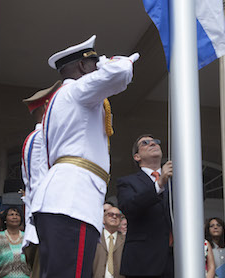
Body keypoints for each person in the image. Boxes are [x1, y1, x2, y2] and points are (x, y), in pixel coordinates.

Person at [30, 34, 138, 278]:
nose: (97, 66)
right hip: (73, 201)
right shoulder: (78, 90)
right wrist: (108, 62)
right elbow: (120, 72)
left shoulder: (61, 99)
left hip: (62, 199)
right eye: (93, 62)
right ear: (82, 66)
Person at [20, 80, 61, 278]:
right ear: (47, 107)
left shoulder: (44, 137)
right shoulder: (40, 138)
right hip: (44, 227)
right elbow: (39, 184)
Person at [117, 134, 173, 278]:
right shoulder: (127, 182)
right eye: (146, 143)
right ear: (137, 156)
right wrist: (159, 184)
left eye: (156, 142)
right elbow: (129, 206)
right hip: (142, 263)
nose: (153, 144)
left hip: (174, 262)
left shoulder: (175, 180)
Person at [0, 207, 30, 278]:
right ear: (5, 219)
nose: (15, 217)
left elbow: (34, 264)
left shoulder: (27, 238)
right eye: (11, 214)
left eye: (17, 215)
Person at [92, 206, 126, 278]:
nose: (114, 216)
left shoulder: (125, 241)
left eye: (118, 215)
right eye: (110, 214)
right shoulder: (95, 238)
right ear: (103, 219)